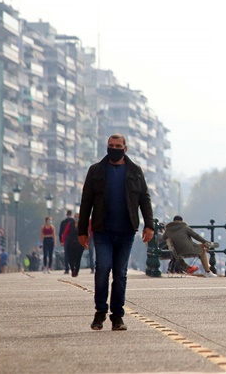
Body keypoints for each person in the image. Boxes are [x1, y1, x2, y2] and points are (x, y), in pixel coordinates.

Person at [77, 133, 154, 331]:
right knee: (102, 269)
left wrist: (149, 225)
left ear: (125, 148)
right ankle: (100, 311)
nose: (114, 148)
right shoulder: (95, 171)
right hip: (102, 230)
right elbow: (86, 202)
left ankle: (117, 316)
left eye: (118, 145)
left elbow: (145, 199)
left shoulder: (135, 171)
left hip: (127, 230)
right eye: (111, 145)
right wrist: (82, 230)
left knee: (120, 273)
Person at [66, 212, 85, 277]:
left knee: (78, 258)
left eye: (78, 217)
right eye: (76, 217)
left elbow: (85, 234)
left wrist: (86, 243)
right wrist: (63, 241)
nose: (77, 218)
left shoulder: (82, 225)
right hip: (71, 243)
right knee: (71, 258)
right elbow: (66, 232)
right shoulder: (70, 224)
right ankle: (72, 269)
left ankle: (76, 271)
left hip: (79, 244)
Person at [59, 210, 75, 274]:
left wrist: (61, 241)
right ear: (71, 214)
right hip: (73, 239)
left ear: (66, 214)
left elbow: (60, 233)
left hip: (66, 239)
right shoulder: (74, 222)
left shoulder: (63, 222)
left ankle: (67, 269)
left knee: (66, 254)